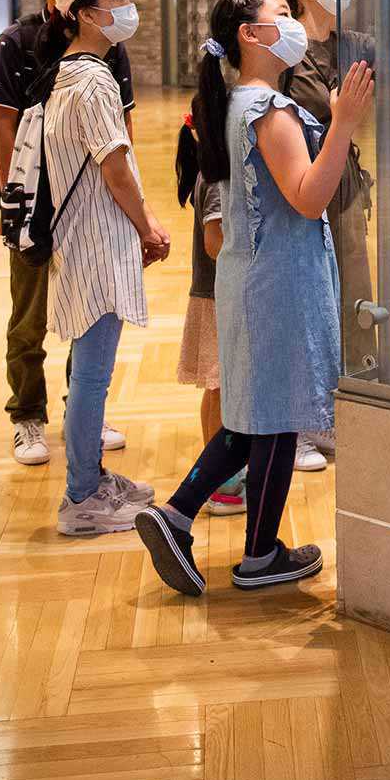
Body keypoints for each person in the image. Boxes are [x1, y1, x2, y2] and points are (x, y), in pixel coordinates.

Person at [134, 0, 373, 596]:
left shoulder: (238, 102)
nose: (295, 25)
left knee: (257, 416)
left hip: (254, 276)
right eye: (284, 16)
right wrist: (344, 123)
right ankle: (259, 553)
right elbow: (309, 194)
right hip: (278, 281)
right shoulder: (268, 109)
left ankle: (182, 515)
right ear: (250, 35)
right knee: (274, 417)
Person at [0, 0, 135, 467]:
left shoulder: (105, 43)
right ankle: (27, 416)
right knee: (28, 316)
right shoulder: (16, 42)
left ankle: (83, 410)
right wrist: (13, 204)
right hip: (34, 204)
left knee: (86, 310)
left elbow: (122, 132)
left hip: (86, 206)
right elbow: (3, 129)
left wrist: (128, 203)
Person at [283, 0, 390, 468]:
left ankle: (334, 408)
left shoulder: (352, 43)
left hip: (343, 182)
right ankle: (295, 423)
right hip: (296, 181)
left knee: (352, 295)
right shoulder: (288, 46)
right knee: (307, 296)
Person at [44, 0, 171, 536]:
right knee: (92, 376)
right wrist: (147, 224)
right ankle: (82, 498)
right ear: (86, 13)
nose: (125, 2)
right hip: (97, 240)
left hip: (85, 237)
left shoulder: (70, 73)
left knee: (89, 372)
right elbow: (114, 166)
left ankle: (90, 477)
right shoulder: (92, 81)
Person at [173, 102, 245, 516]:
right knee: (219, 387)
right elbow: (214, 242)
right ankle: (221, 484)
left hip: (219, 294)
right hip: (219, 297)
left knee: (222, 387)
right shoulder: (217, 180)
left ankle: (227, 475)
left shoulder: (212, 173)